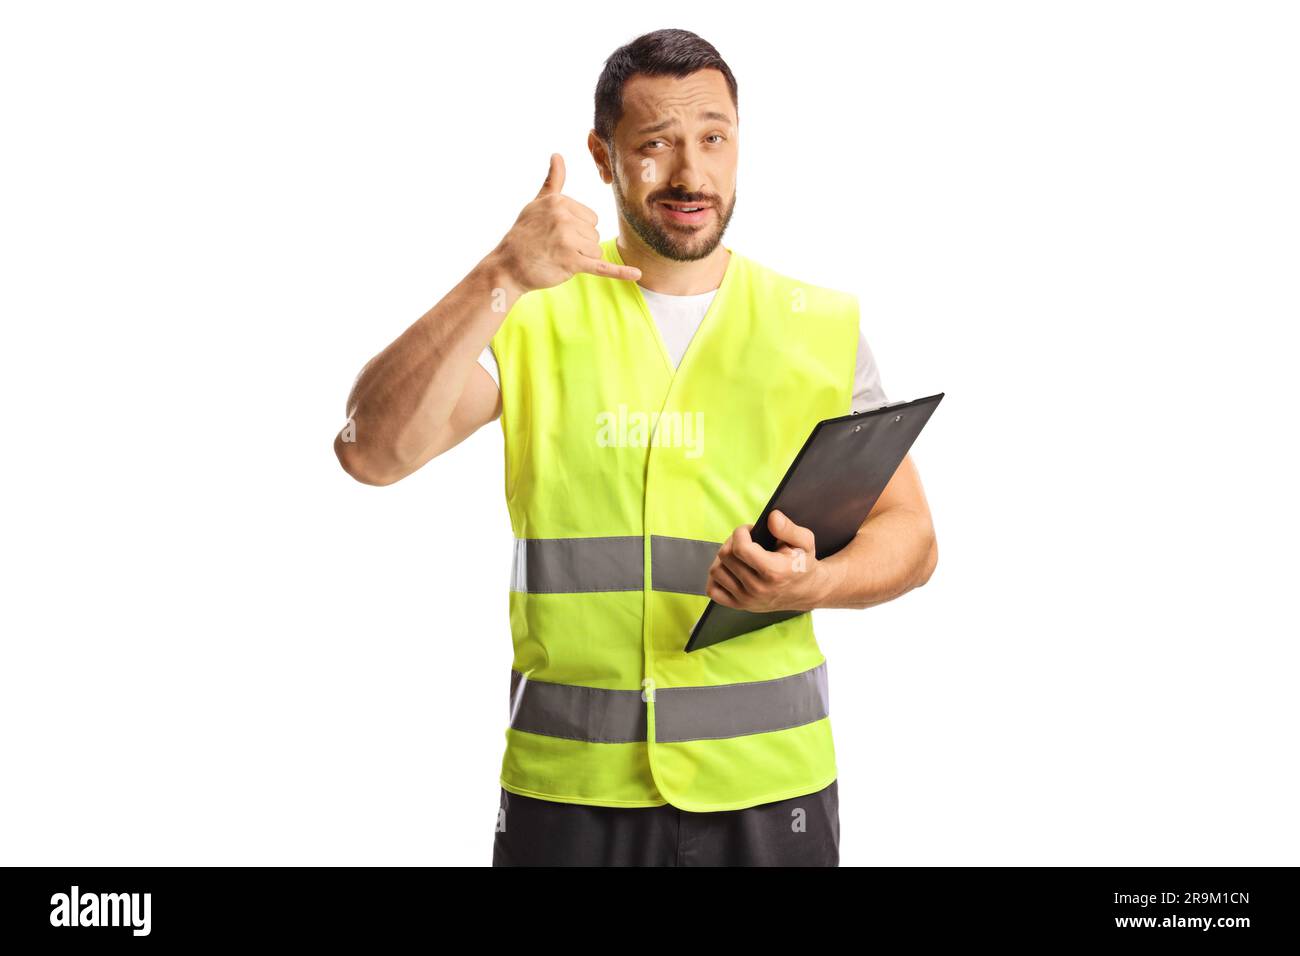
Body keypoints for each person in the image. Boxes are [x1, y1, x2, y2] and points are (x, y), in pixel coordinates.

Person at [335, 28, 938, 867]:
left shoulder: (822, 327)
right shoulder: (532, 312)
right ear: (603, 156)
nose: (691, 174)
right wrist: (498, 274)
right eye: (655, 145)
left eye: (714, 139)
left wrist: (818, 580)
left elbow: (913, 536)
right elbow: (371, 450)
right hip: (569, 796)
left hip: (773, 792)